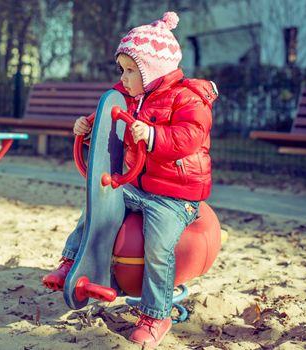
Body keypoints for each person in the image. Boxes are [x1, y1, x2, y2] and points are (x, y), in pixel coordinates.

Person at [43, 11, 218, 348]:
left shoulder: (187, 98)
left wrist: (153, 136)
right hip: (138, 186)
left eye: (129, 71)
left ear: (153, 71)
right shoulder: (131, 97)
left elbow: (191, 136)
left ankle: (156, 315)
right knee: (99, 205)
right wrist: (88, 127)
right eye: (121, 70)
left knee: (158, 248)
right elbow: (111, 120)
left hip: (175, 195)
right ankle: (71, 262)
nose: (122, 78)